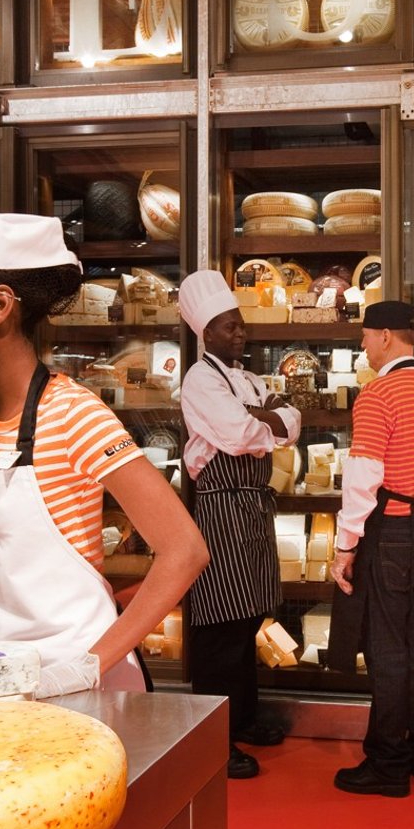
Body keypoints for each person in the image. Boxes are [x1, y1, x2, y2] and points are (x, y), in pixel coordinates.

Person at [0, 211, 208, 696]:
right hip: (1, 681)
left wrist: (86, 669)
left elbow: (185, 551)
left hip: (84, 687)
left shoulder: (73, 415)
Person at [177, 269, 301, 779]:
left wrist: (262, 417)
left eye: (241, 324)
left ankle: (244, 718)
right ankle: (215, 742)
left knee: (249, 620)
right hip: (220, 509)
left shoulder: (246, 378)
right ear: (206, 332)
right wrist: (264, 418)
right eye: (230, 326)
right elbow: (237, 435)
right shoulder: (199, 379)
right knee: (220, 631)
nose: (240, 333)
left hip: (252, 506)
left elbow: (291, 421)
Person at [330, 299, 414, 797]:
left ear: (384, 336)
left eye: (364, 336)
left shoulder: (377, 395)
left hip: (393, 530)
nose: (362, 346)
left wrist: (344, 547)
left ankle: (388, 763)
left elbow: (363, 478)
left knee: (387, 650)